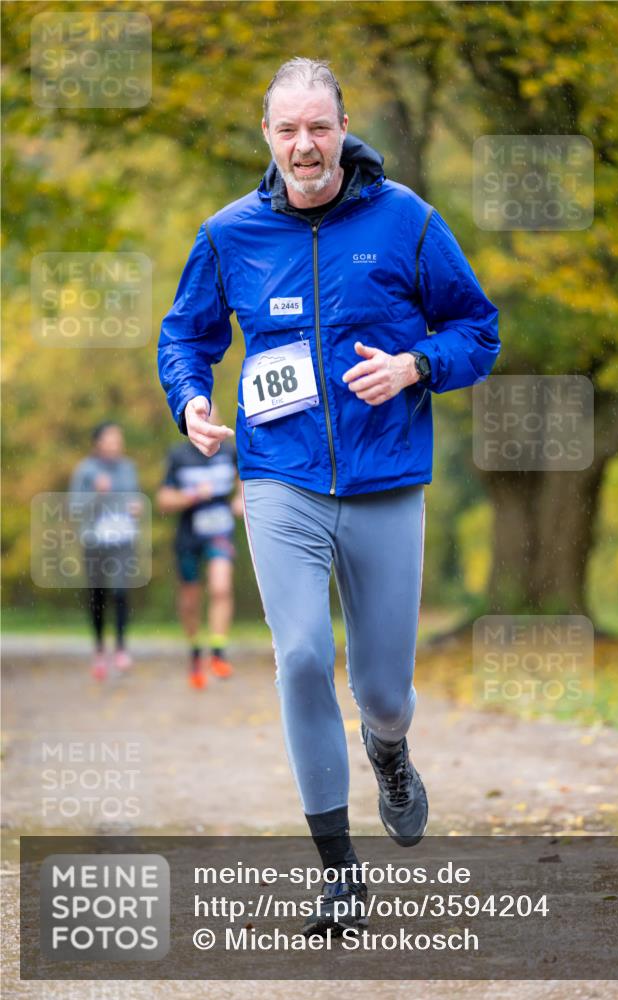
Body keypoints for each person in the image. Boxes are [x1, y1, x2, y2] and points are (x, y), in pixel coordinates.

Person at [158, 58, 500, 935]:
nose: (304, 145)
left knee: (383, 692)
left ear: (344, 129)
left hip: (386, 480)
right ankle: (339, 872)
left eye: (319, 127)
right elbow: (185, 336)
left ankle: (389, 750)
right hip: (280, 478)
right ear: (267, 137)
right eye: (288, 130)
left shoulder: (407, 221)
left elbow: (477, 329)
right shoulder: (228, 235)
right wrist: (190, 400)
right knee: (303, 654)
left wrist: (416, 364)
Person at [157, 402, 242, 689]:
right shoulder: (178, 455)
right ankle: (195, 650)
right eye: (204, 417)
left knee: (221, 587)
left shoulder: (229, 452)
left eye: (213, 416)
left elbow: (247, 478)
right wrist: (191, 496)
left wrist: (240, 499)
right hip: (189, 533)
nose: (210, 422)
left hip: (220, 530)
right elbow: (163, 500)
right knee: (190, 598)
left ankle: (218, 652)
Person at [69, 421, 140, 681]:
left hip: (122, 538)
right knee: (97, 595)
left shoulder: (128, 468)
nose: (116, 444)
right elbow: (75, 507)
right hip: (95, 540)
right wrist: (96, 494)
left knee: (121, 592)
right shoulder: (85, 470)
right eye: (111, 439)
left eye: (119, 439)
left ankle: (121, 648)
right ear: (98, 442)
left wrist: (136, 508)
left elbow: (135, 499)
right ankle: (99, 649)